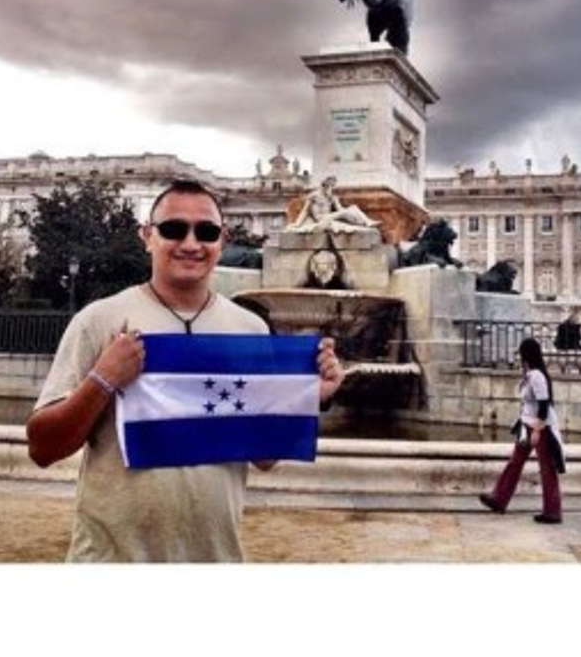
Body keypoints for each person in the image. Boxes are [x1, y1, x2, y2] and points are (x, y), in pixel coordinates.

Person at [26, 177, 345, 562]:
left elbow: (264, 457)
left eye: (206, 232)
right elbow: (43, 448)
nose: (191, 244)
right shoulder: (99, 320)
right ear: (147, 236)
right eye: (174, 229)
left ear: (222, 240)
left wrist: (309, 397)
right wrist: (103, 379)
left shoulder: (250, 330)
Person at [479, 337, 565, 523]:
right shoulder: (531, 374)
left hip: (539, 426)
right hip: (528, 425)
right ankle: (499, 499)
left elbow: (544, 405)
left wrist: (537, 430)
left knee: (546, 468)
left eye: (521, 353)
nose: (519, 357)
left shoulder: (537, 376)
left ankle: (552, 511)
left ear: (526, 355)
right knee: (515, 462)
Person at [287, 176, 379, 234]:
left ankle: (368, 221)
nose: (331, 189)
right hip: (321, 218)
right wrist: (297, 223)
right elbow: (305, 210)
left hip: (330, 216)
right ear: (324, 186)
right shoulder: (314, 195)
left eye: (332, 186)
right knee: (345, 212)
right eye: (329, 186)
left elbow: (340, 209)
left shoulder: (332, 197)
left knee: (353, 207)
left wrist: (336, 201)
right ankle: (363, 222)